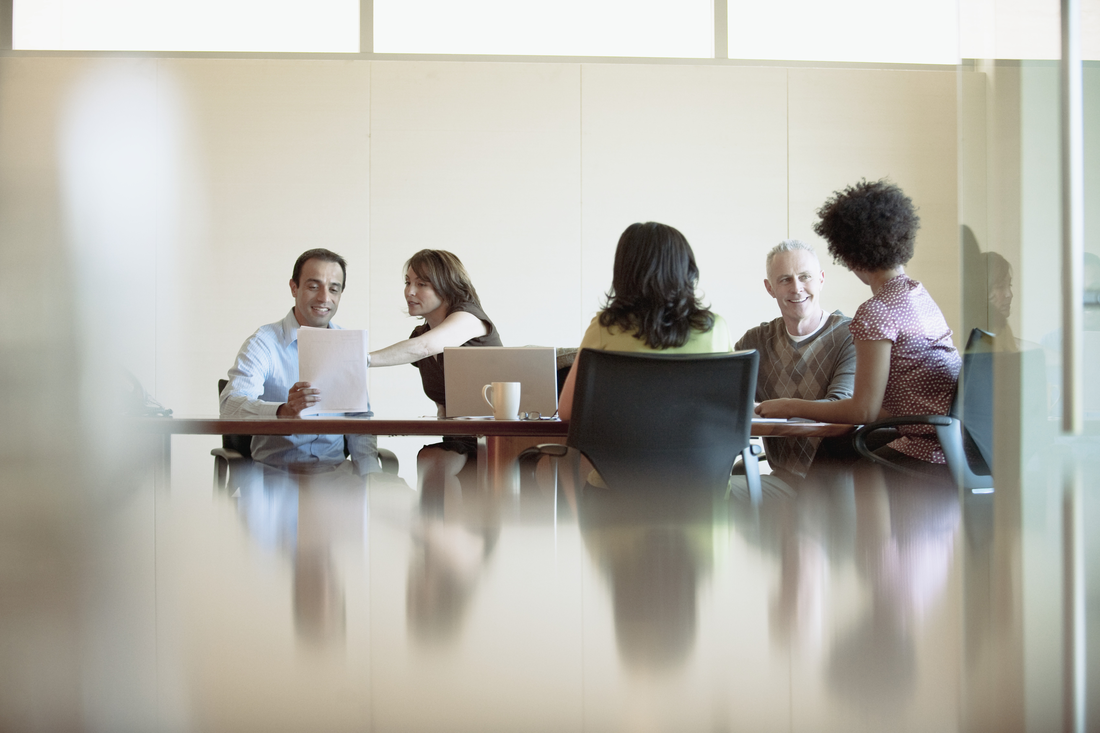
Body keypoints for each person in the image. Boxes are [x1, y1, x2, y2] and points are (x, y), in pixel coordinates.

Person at [756, 180, 961, 468]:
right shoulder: (917, 294)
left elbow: (864, 410)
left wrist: (789, 405)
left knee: (837, 464)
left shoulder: (875, 312)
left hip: (928, 448)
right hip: (954, 441)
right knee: (838, 449)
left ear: (849, 254)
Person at [220, 248, 380, 471]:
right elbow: (229, 407)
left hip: (333, 476)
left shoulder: (346, 343)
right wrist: (282, 412)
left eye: (334, 289)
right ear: (294, 288)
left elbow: (359, 419)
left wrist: (371, 474)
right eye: (314, 287)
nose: (324, 298)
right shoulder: (263, 343)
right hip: (274, 474)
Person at [559, 222, 732, 421]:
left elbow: (567, 412)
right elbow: (730, 410)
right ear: (687, 268)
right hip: (701, 452)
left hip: (620, 451)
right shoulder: (715, 328)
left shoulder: (605, 327)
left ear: (624, 272)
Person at [368, 249, 502, 476]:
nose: (409, 291)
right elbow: (444, 405)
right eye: (408, 282)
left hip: (498, 440)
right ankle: (435, 513)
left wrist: (361, 360)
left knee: (433, 460)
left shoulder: (470, 318)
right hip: (461, 440)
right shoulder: (421, 334)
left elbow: (424, 347)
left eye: (422, 284)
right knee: (430, 459)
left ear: (447, 286)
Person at [736, 240, 856, 478]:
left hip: (837, 483)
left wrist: (785, 407)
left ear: (821, 279)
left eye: (805, 277)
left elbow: (842, 407)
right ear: (770, 288)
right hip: (782, 479)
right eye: (785, 280)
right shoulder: (755, 341)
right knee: (705, 497)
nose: (797, 288)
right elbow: (725, 403)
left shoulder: (851, 335)